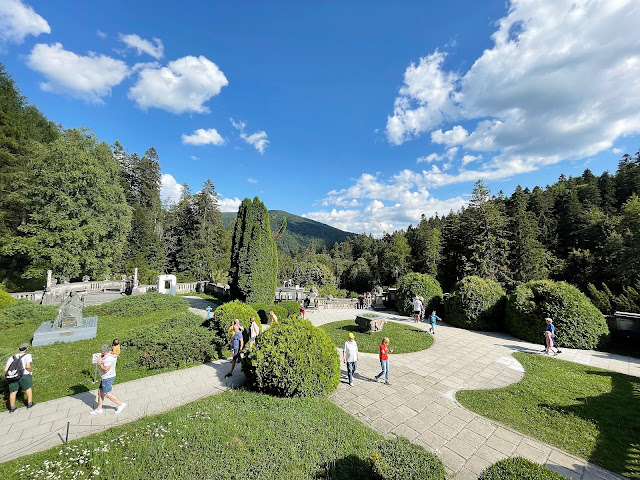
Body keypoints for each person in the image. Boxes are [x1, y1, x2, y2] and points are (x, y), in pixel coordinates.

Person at [91, 344, 126, 415]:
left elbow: (106, 369)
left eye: (102, 351)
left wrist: (100, 363)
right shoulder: (111, 355)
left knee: (107, 394)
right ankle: (99, 409)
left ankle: (121, 404)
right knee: (100, 392)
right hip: (106, 377)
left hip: (107, 378)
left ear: (104, 351)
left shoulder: (108, 359)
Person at [4, 343, 34, 412]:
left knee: (13, 392)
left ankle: (12, 407)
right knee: (28, 388)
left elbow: (5, 370)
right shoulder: (27, 356)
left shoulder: (11, 357)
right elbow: (28, 366)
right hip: (24, 375)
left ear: (19, 349)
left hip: (12, 376)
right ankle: (29, 404)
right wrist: (30, 371)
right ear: (27, 348)